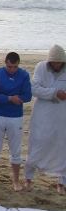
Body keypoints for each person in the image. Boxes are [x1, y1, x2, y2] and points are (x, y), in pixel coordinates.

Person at [0, 52, 32, 191]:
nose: (11, 69)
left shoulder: (23, 75)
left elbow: (28, 95)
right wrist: (9, 98)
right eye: (9, 66)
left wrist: (18, 98)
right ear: (5, 63)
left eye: (14, 67)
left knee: (16, 150)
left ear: (18, 64)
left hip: (15, 117)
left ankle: (16, 181)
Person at [25, 45, 66, 194]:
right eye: (54, 62)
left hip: (62, 114)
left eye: (59, 62)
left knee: (62, 146)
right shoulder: (41, 67)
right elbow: (34, 89)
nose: (56, 65)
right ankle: (28, 178)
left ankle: (61, 182)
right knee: (37, 143)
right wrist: (54, 93)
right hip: (43, 113)